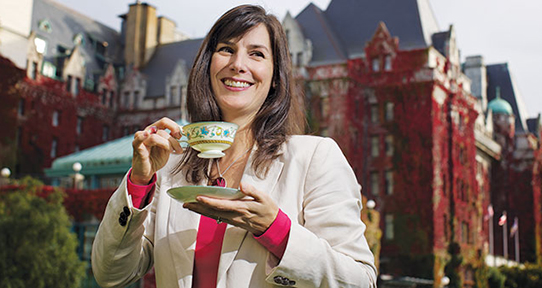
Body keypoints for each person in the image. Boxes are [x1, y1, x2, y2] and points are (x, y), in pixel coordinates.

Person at [92, 4, 377, 288]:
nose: (238, 64)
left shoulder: (314, 158)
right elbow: (111, 274)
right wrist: (140, 182)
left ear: (276, 78)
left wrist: (276, 230)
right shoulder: (171, 168)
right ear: (208, 66)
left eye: (256, 54)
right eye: (226, 49)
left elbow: (360, 280)